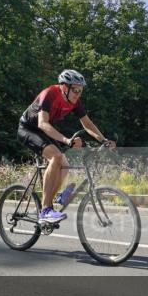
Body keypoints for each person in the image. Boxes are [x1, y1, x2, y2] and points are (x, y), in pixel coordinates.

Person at [17, 69, 115, 225]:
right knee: (56, 157)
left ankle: (47, 203)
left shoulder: (75, 101)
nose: (78, 94)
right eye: (75, 90)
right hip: (28, 129)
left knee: (65, 165)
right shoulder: (49, 93)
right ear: (64, 87)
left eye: (80, 90)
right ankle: (45, 211)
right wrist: (66, 140)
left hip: (45, 131)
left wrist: (103, 140)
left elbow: (87, 124)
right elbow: (42, 123)